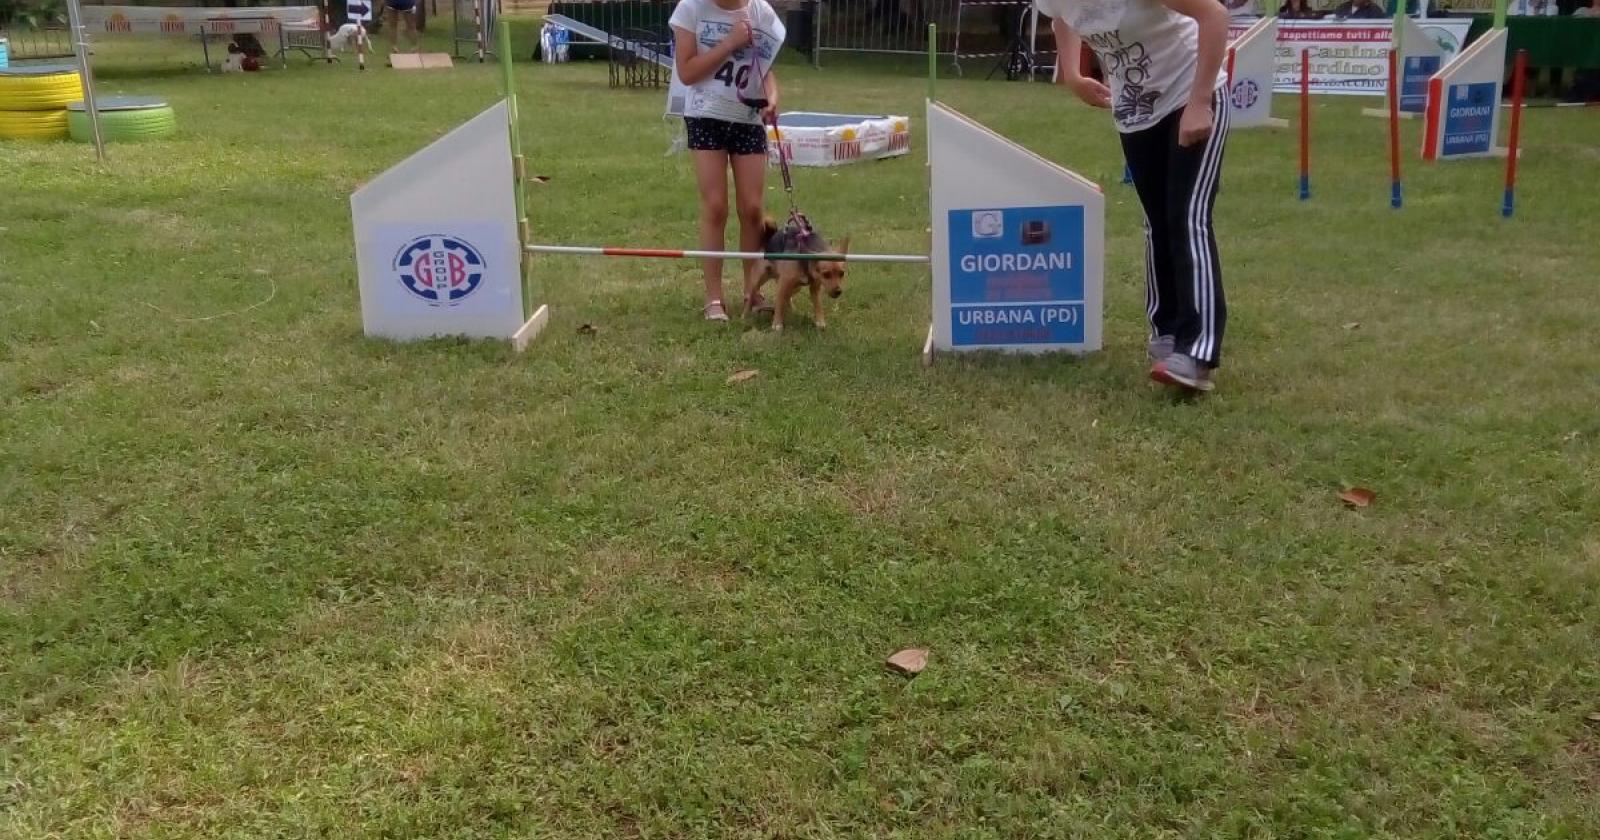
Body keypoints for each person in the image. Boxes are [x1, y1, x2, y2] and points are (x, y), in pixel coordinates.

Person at [1041, 0, 1231, 392]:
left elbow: (1214, 15)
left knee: (1187, 216)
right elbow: (1061, 18)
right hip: (1136, 110)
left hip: (1190, 91)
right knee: (1156, 222)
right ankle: (1167, 330)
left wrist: (1199, 104)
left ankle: (1197, 351)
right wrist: (1075, 75)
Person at [670, 0, 785, 322]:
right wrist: (729, 43)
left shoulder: (762, 12)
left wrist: (772, 98)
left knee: (752, 209)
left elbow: (766, 69)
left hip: (747, 120)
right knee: (716, 207)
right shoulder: (690, 10)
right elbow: (687, 72)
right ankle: (714, 299)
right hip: (706, 117)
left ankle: (753, 291)